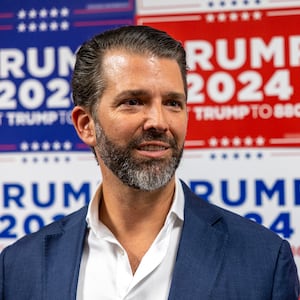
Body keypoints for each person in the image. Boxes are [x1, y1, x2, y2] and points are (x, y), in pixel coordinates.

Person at [0, 25, 299, 300]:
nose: (158, 121)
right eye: (133, 101)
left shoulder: (264, 260)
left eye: (172, 103)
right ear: (86, 124)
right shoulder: (18, 268)